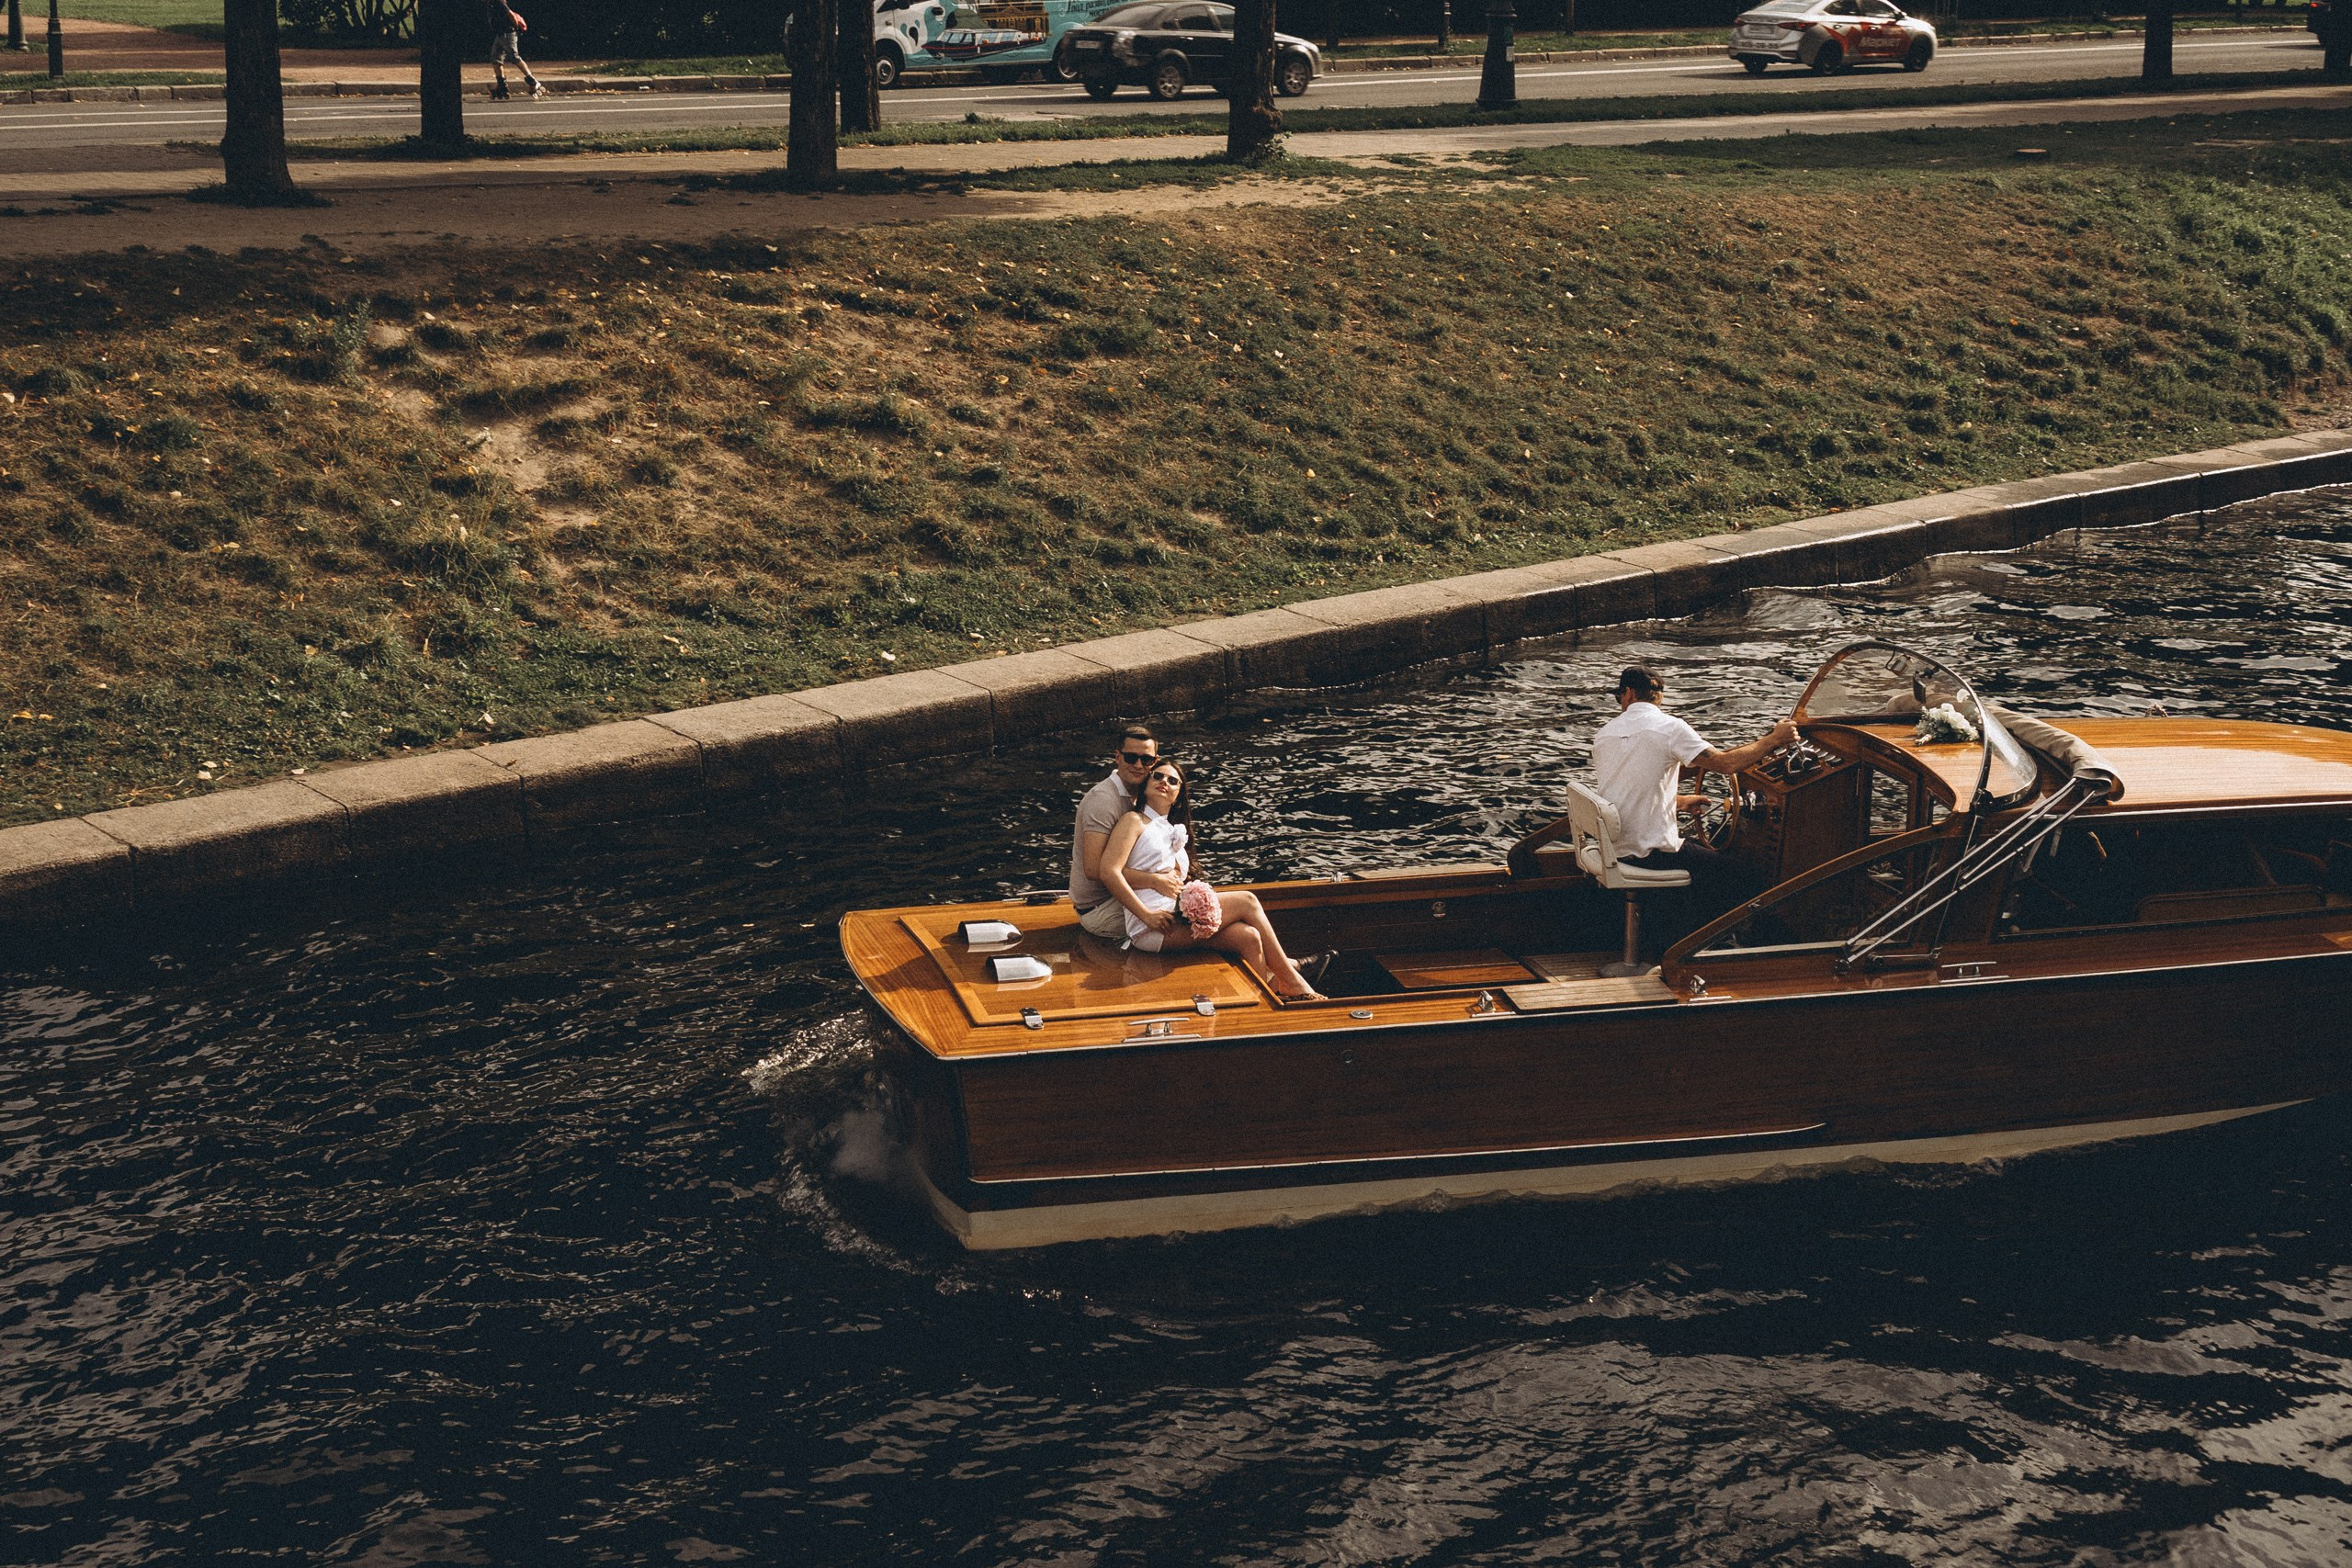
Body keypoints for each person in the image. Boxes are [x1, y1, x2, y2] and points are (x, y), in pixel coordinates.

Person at [1099, 760, 1325, 1003]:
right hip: (1153, 924)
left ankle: (1260, 1002)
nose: (1164, 782)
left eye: (1172, 780)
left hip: (1173, 916)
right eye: (1157, 776)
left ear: (1178, 796)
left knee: (1248, 936)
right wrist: (1145, 914)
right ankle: (1292, 980)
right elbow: (1109, 872)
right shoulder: (1133, 821)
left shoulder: (1170, 829)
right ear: (1146, 784)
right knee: (1248, 901)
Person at [1589, 665, 1795, 923]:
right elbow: (1725, 765)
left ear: (1628, 694)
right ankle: (1711, 947)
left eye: (1618, 696)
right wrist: (1774, 740)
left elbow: (1624, 789)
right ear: (1659, 697)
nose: (1620, 701)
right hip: (1651, 855)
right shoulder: (1670, 728)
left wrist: (1677, 803)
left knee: (1703, 857)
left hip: (1614, 848)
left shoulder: (1604, 734)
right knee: (1747, 877)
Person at [1069, 725, 1172, 939]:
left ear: (1155, 762)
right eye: (1131, 758)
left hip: (1124, 896)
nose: (1138, 765)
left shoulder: (1141, 796)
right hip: (1100, 909)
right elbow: (1095, 870)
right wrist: (1155, 881)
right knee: (1193, 922)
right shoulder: (1103, 801)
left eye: (1146, 760)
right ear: (1117, 757)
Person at [484, 0, 546, 101]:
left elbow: (511, 15)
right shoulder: (490, 5)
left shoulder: (498, 3)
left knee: (514, 57)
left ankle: (532, 81)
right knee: (495, 59)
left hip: (508, 34)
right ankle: (502, 85)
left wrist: (516, 28)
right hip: (500, 35)